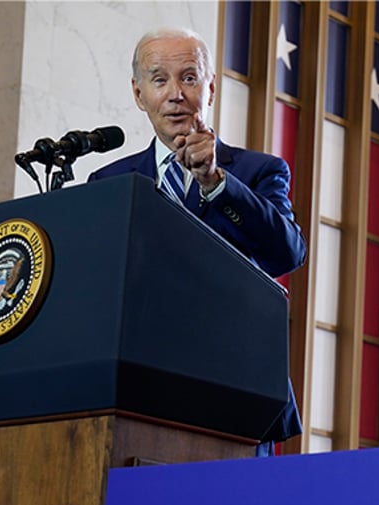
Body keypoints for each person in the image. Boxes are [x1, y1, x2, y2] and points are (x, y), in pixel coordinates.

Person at [88, 28, 307, 455]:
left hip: (235, 397)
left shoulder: (258, 171)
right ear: (138, 94)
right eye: (159, 79)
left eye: (189, 78)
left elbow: (287, 253)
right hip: (137, 394)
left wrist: (216, 182)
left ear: (210, 89)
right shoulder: (109, 182)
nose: (175, 94)